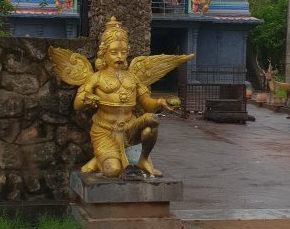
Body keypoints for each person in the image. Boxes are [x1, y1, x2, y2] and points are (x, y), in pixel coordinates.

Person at [49, 17, 191, 178]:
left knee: (152, 120)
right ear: (104, 53)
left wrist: (161, 102)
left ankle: (143, 159)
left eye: (123, 53)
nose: (119, 56)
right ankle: (99, 160)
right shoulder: (96, 77)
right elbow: (77, 105)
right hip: (104, 131)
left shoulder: (133, 77)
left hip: (130, 129)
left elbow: (147, 104)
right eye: (114, 52)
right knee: (113, 171)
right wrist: (87, 99)